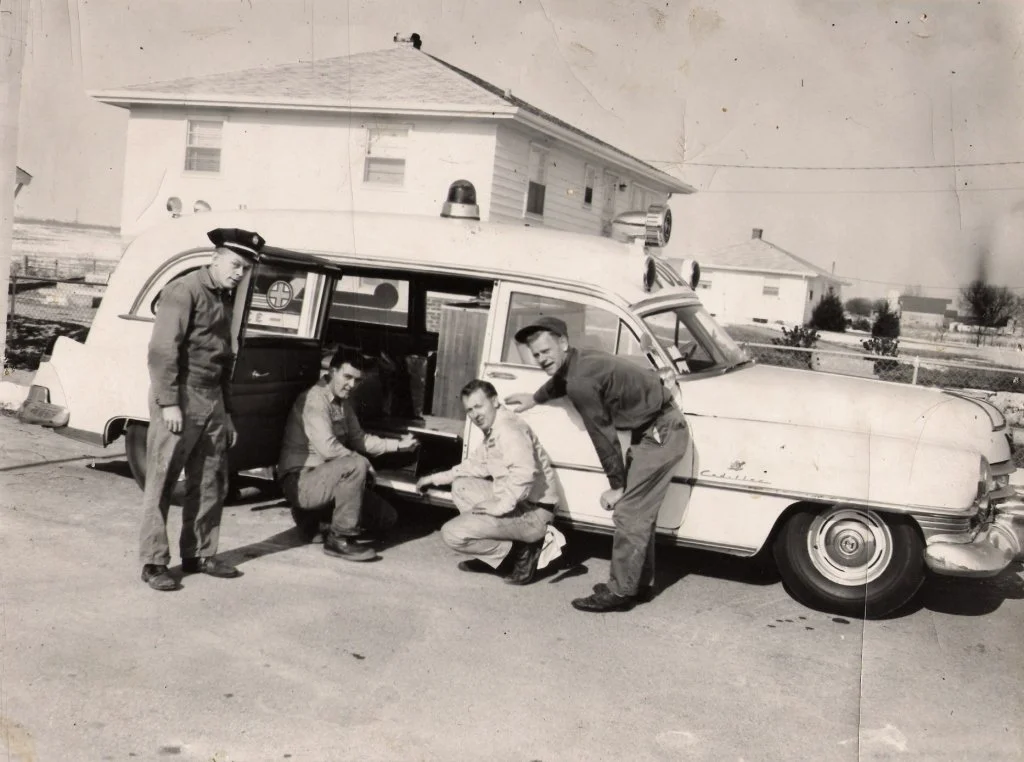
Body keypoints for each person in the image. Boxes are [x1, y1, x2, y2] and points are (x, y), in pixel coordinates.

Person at [505, 316, 690, 612]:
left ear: (563, 344)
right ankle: (636, 584)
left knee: (629, 511)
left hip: (661, 433)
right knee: (638, 513)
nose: (541, 359)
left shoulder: (580, 381)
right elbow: (558, 381)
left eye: (546, 352)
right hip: (659, 426)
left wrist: (616, 486)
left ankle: (619, 593)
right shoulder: (578, 361)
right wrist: (535, 398)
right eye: (536, 355)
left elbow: (602, 436)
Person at [139, 227, 265, 592]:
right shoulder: (184, 290)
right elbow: (163, 350)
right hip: (180, 395)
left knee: (210, 480)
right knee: (162, 481)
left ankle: (199, 553)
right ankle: (153, 562)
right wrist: (168, 403)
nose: (239, 273)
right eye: (235, 265)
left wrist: (224, 413)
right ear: (216, 258)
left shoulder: (224, 296)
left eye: (245, 269)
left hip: (211, 399)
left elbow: (223, 359)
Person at [277, 349, 419, 562]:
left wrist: (399, 445)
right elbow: (328, 447)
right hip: (301, 481)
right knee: (355, 465)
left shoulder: (344, 402)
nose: (352, 385)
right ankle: (339, 539)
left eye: (357, 380)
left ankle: (313, 521)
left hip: (326, 477)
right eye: (347, 377)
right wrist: (361, 461)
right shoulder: (315, 399)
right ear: (332, 371)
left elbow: (359, 439)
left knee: (386, 518)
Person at [416, 379, 560, 585]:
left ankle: (522, 551)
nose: (475, 414)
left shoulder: (508, 429)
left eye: (478, 406)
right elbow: (473, 466)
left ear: (494, 401)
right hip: (522, 504)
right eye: (469, 410)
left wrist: (500, 507)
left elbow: (525, 473)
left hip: (535, 513)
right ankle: (498, 557)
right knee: (462, 485)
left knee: (451, 534)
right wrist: (433, 479)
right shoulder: (495, 428)